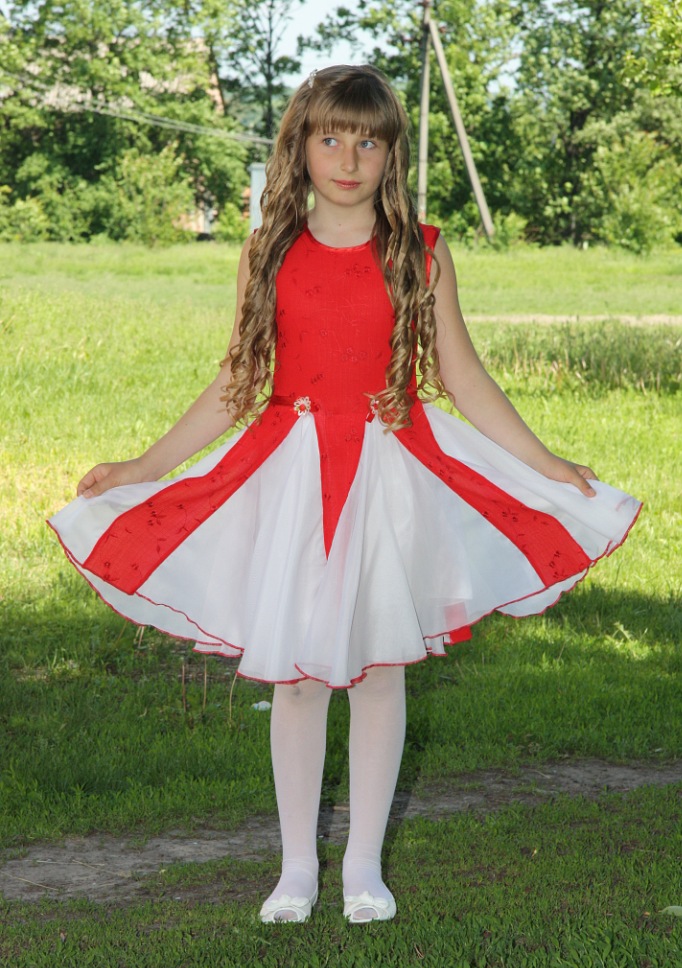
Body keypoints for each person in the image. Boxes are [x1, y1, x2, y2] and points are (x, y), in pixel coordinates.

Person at [49, 65, 641, 924]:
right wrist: (144, 466)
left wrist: (545, 463)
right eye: (331, 138)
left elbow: (464, 377)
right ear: (300, 146)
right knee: (296, 678)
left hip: (389, 477)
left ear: (391, 155)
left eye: (369, 142)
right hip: (289, 476)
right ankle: (296, 867)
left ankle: (363, 865)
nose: (350, 159)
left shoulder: (419, 251)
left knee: (378, 669)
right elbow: (238, 381)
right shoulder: (268, 250)